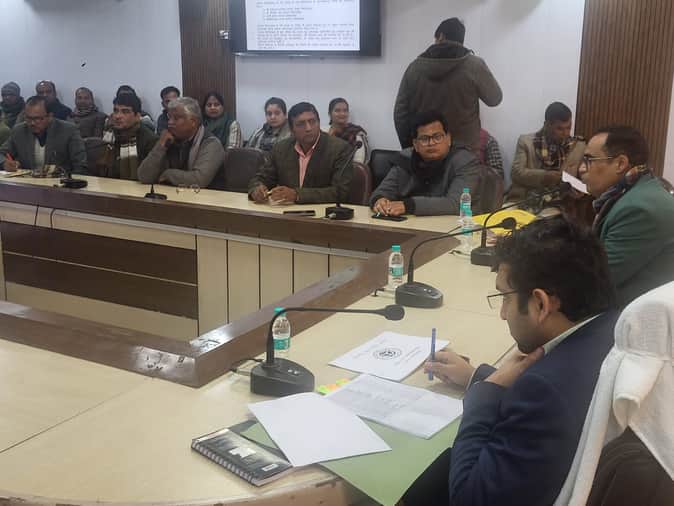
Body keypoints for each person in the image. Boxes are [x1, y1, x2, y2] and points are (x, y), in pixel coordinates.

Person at [410, 215, 617, 506]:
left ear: (541, 304)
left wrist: (483, 392)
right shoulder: (611, 330)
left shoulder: (545, 391)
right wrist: (478, 375)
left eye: (505, 298)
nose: (502, 313)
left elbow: (470, 499)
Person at [579, 125, 674, 306]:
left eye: (589, 160)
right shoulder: (635, 191)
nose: (582, 168)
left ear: (620, 164)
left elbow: (593, 280)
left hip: (631, 313)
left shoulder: (639, 209)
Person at [394, 17, 502, 150]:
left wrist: (411, 146)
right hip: (465, 152)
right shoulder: (474, 65)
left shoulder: (414, 68)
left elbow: (400, 114)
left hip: (427, 150)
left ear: (440, 36)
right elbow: (495, 99)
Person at [369, 110, 481, 216]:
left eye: (437, 137)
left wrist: (408, 206)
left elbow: (456, 204)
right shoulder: (405, 159)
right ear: (415, 145)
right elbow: (381, 192)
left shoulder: (465, 162)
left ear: (449, 139)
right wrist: (379, 201)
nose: (431, 143)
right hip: (410, 224)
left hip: (456, 225)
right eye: (424, 139)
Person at [248, 101, 353, 205]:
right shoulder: (281, 149)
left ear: (319, 123)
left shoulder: (340, 149)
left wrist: (297, 195)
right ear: (292, 129)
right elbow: (261, 178)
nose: (308, 128)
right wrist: (257, 188)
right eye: (301, 124)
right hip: (285, 210)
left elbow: (341, 192)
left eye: (312, 122)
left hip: (322, 212)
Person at [137, 97, 225, 187]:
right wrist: (160, 146)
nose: (170, 122)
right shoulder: (169, 140)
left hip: (205, 195)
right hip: (172, 194)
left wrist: (167, 174)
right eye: (169, 118)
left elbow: (199, 180)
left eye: (176, 118)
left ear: (193, 121)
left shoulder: (211, 143)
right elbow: (144, 176)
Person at [510, 102, 586, 198]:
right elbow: (516, 173)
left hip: (562, 201)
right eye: (559, 129)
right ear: (546, 125)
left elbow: (583, 179)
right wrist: (544, 176)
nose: (566, 133)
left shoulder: (579, 146)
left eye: (568, 127)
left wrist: (578, 191)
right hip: (528, 199)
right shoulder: (526, 142)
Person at [0, 95, 86, 174]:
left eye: (37, 118)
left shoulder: (68, 130)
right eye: (28, 118)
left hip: (60, 181)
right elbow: (2, 153)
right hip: (28, 181)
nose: (32, 123)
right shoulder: (19, 131)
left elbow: (81, 165)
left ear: (50, 116)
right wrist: (4, 163)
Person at [93, 93, 158, 180]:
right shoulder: (110, 134)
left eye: (125, 112)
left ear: (137, 116)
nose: (117, 116)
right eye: (116, 111)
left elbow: (150, 176)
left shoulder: (149, 140)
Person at [325, 97, 370, 164]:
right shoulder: (323, 132)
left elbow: (360, 162)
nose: (342, 114)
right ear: (330, 114)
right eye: (337, 110)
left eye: (345, 110)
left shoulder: (355, 132)